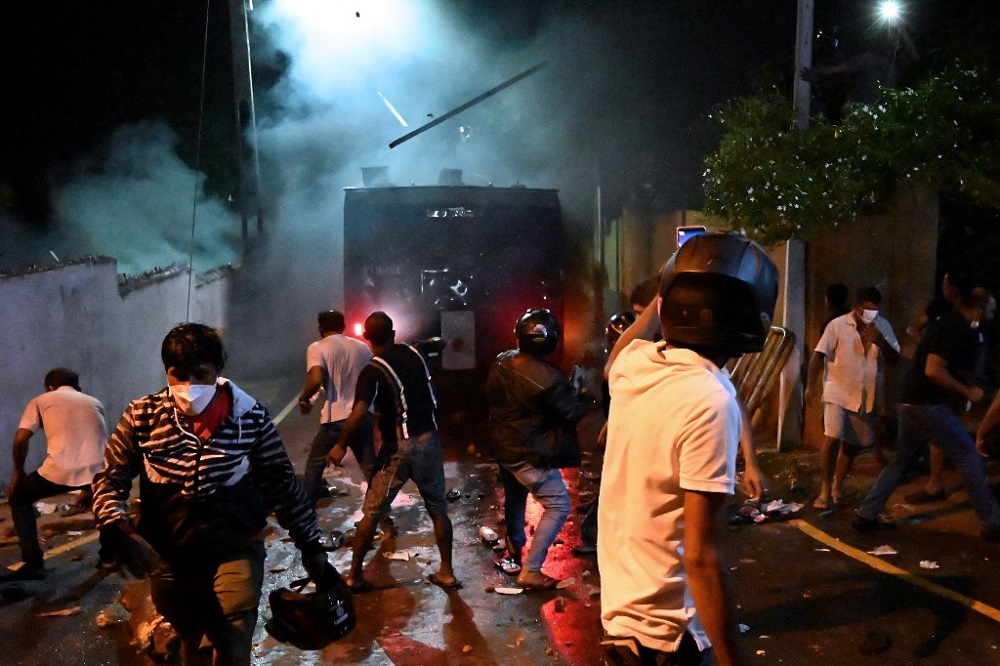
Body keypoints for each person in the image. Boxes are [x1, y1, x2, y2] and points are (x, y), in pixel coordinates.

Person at [92, 323, 331, 664]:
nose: (189, 387)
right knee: (189, 637)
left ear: (218, 370)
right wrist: (117, 526)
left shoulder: (250, 417)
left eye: (200, 374)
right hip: (170, 554)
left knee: (232, 638)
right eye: (179, 375)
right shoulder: (141, 416)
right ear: (167, 372)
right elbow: (110, 477)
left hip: (234, 547)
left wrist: (311, 546)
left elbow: (282, 484)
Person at [599, 233, 778, 666]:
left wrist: (667, 289)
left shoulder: (635, 368)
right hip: (668, 637)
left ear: (663, 305)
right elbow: (700, 555)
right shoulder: (709, 398)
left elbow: (622, 351)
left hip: (619, 624)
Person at [853, 290, 1000, 541]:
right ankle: (991, 522)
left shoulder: (952, 325)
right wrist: (967, 391)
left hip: (911, 401)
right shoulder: (955, 327)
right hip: (926, 405)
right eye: (991, 310)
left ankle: (865, 514)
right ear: (976, 308)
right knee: (969, 456)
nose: (992, 315)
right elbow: (934, 369)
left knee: (902, 459)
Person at [331, 311, 459, 590]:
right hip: (428, 440)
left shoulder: (373, 370)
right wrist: (433, 342)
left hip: (398, 447)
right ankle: (447, 572)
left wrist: (341, 444)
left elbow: (359, 411)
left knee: (373, 513)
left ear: (367, 339)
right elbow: (439, 342)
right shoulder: (414, 350)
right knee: (438, 509)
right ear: (393, 333)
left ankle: (354, 576)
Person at [486, 309, 595, 587]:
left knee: (515, 497)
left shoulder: (502, 361)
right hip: (528, 453)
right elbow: (570, 414)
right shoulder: (550, 378)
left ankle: (515, 552)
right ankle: (531, 569)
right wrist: (584, 396)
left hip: (504, 446)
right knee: (558, 505)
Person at [2, 368, 108, 581]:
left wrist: (18, 472)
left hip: (58, 471)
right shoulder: (94, 402)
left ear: (49, 387)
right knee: (106, 505)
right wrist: (88, 487)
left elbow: (21, 439)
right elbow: (96, 446)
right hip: (101, 470)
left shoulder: (41, 400)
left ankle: (33, 564)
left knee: (19, 497)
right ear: (77, 387)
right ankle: (109, 557)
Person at [805, 287, 899, 510]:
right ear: (857, 307)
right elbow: (818, 356)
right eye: (867, 310)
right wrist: (810, 386)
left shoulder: (883, 327)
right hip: (837, 391)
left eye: (875, 310)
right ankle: (825, 490)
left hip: (865, 395)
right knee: (832, 437)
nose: (871, 315)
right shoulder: (837, 325)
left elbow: (895, 360)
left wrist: (881, 342)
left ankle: (837, 486)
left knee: (851, 445)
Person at [903, 270, 975, 504]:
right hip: (940, 378)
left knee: (945, 433)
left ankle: (936, 482)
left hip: (955, 375)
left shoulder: (968, 310)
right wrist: (929, 351)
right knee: (947, 436)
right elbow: (913, 329)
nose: (943, 287)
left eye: (945, 282)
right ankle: (936, 482)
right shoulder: (941, 309)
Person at [297, 309, 374, 505]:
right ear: (343, 326)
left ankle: (304, 516)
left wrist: (304, 398)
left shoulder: (317, 347)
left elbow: (315, 379)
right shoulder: (363, 348)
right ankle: (384, 520)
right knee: (370, 469)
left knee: (315, 465)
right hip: (362, 415)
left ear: (320, 328)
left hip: (336, 419)